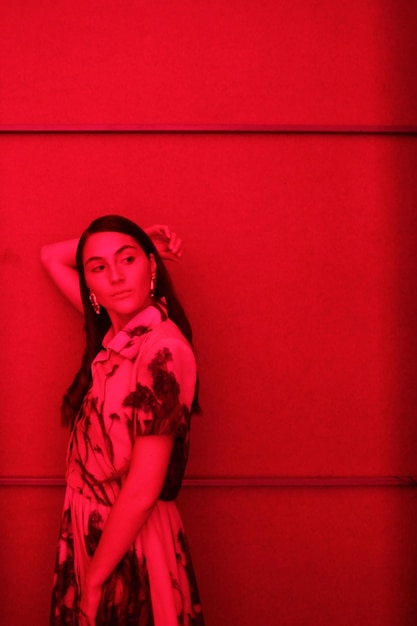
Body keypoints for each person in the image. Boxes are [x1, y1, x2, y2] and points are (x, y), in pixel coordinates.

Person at [41, 215, 204, 626]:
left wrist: (93, 581)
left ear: (153, 267)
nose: (115, 276)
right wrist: (139, 236)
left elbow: (143, 491)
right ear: (90, 288)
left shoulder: (161, 349)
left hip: (130, 541)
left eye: (127, 260)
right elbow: (51, 257)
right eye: (98, 267)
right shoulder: (115, 335)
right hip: (90, 531)